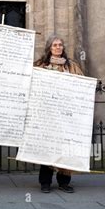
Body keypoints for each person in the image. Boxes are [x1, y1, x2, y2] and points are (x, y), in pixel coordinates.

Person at [34, 34, 84, 194]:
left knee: (66, 149)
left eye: (60, 45)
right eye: (55, 45)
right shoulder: (41, 66)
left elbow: (81, 85)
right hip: (48, 115)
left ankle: (64, 182)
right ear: (49, 48)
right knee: (48, 148)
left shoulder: (72, 67)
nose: (58, 47)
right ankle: (45, 183)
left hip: (66, 115)